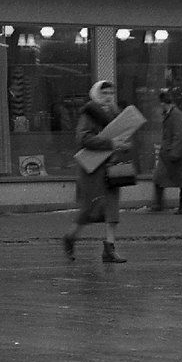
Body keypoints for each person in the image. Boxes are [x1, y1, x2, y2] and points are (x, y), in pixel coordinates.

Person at [63, 79, 131, 262]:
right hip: (92, 169)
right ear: (96, 94)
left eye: (111, 93)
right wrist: (111, 143)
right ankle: (70, 238)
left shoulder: (117, 114)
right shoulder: (89, 113)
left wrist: (123, 145)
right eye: (104, 93)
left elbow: (121, 136)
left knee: (112, 209)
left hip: (111, 167)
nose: (108, 97)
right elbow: (83, 139)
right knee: (89, 209)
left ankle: (109, 248)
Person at [151, 88, 182, 214]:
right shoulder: (171, 114)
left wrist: (174, 153)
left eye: (161, 103)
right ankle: (158, 204)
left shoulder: (176, 115)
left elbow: (179, 136)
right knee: (160, 178)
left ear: (163, 103)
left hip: (173, 154)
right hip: (169, 154)